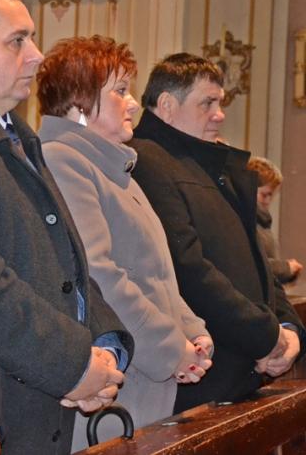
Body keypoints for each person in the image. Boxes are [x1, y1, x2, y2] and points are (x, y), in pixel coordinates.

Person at [0, 0, 133, 455]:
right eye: (17, 41)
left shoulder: (15, 131)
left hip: (42, 390)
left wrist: (103, 346)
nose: (36, 56)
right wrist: (74, 365)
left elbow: (66, 260)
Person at [35, 36, 212, 448]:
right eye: (119, 91)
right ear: (79, 103)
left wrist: (192, 331)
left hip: (146, 376)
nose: (132, 103)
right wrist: (172, 349)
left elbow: (156, 275)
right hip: (120, 381)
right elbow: (99, 275)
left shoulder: (113, 168)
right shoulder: (64, 160)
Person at [129, 53, 305, 412]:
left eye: (219, 103)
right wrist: (265, 337)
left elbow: (256, 260)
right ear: (167, 105)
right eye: (207, 103)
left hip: (243, 371)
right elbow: (188, 269)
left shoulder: (209, 162)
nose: (220, 114)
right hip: (202, 379)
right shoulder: (147, 161)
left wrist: (288, 327)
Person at [247, 156, 303, 285]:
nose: (268, 201)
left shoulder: (262, 222)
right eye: (264, 195)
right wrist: (286, 268)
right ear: (249, 189)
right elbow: (253, 264)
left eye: (271, 195)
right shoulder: (246, 222)